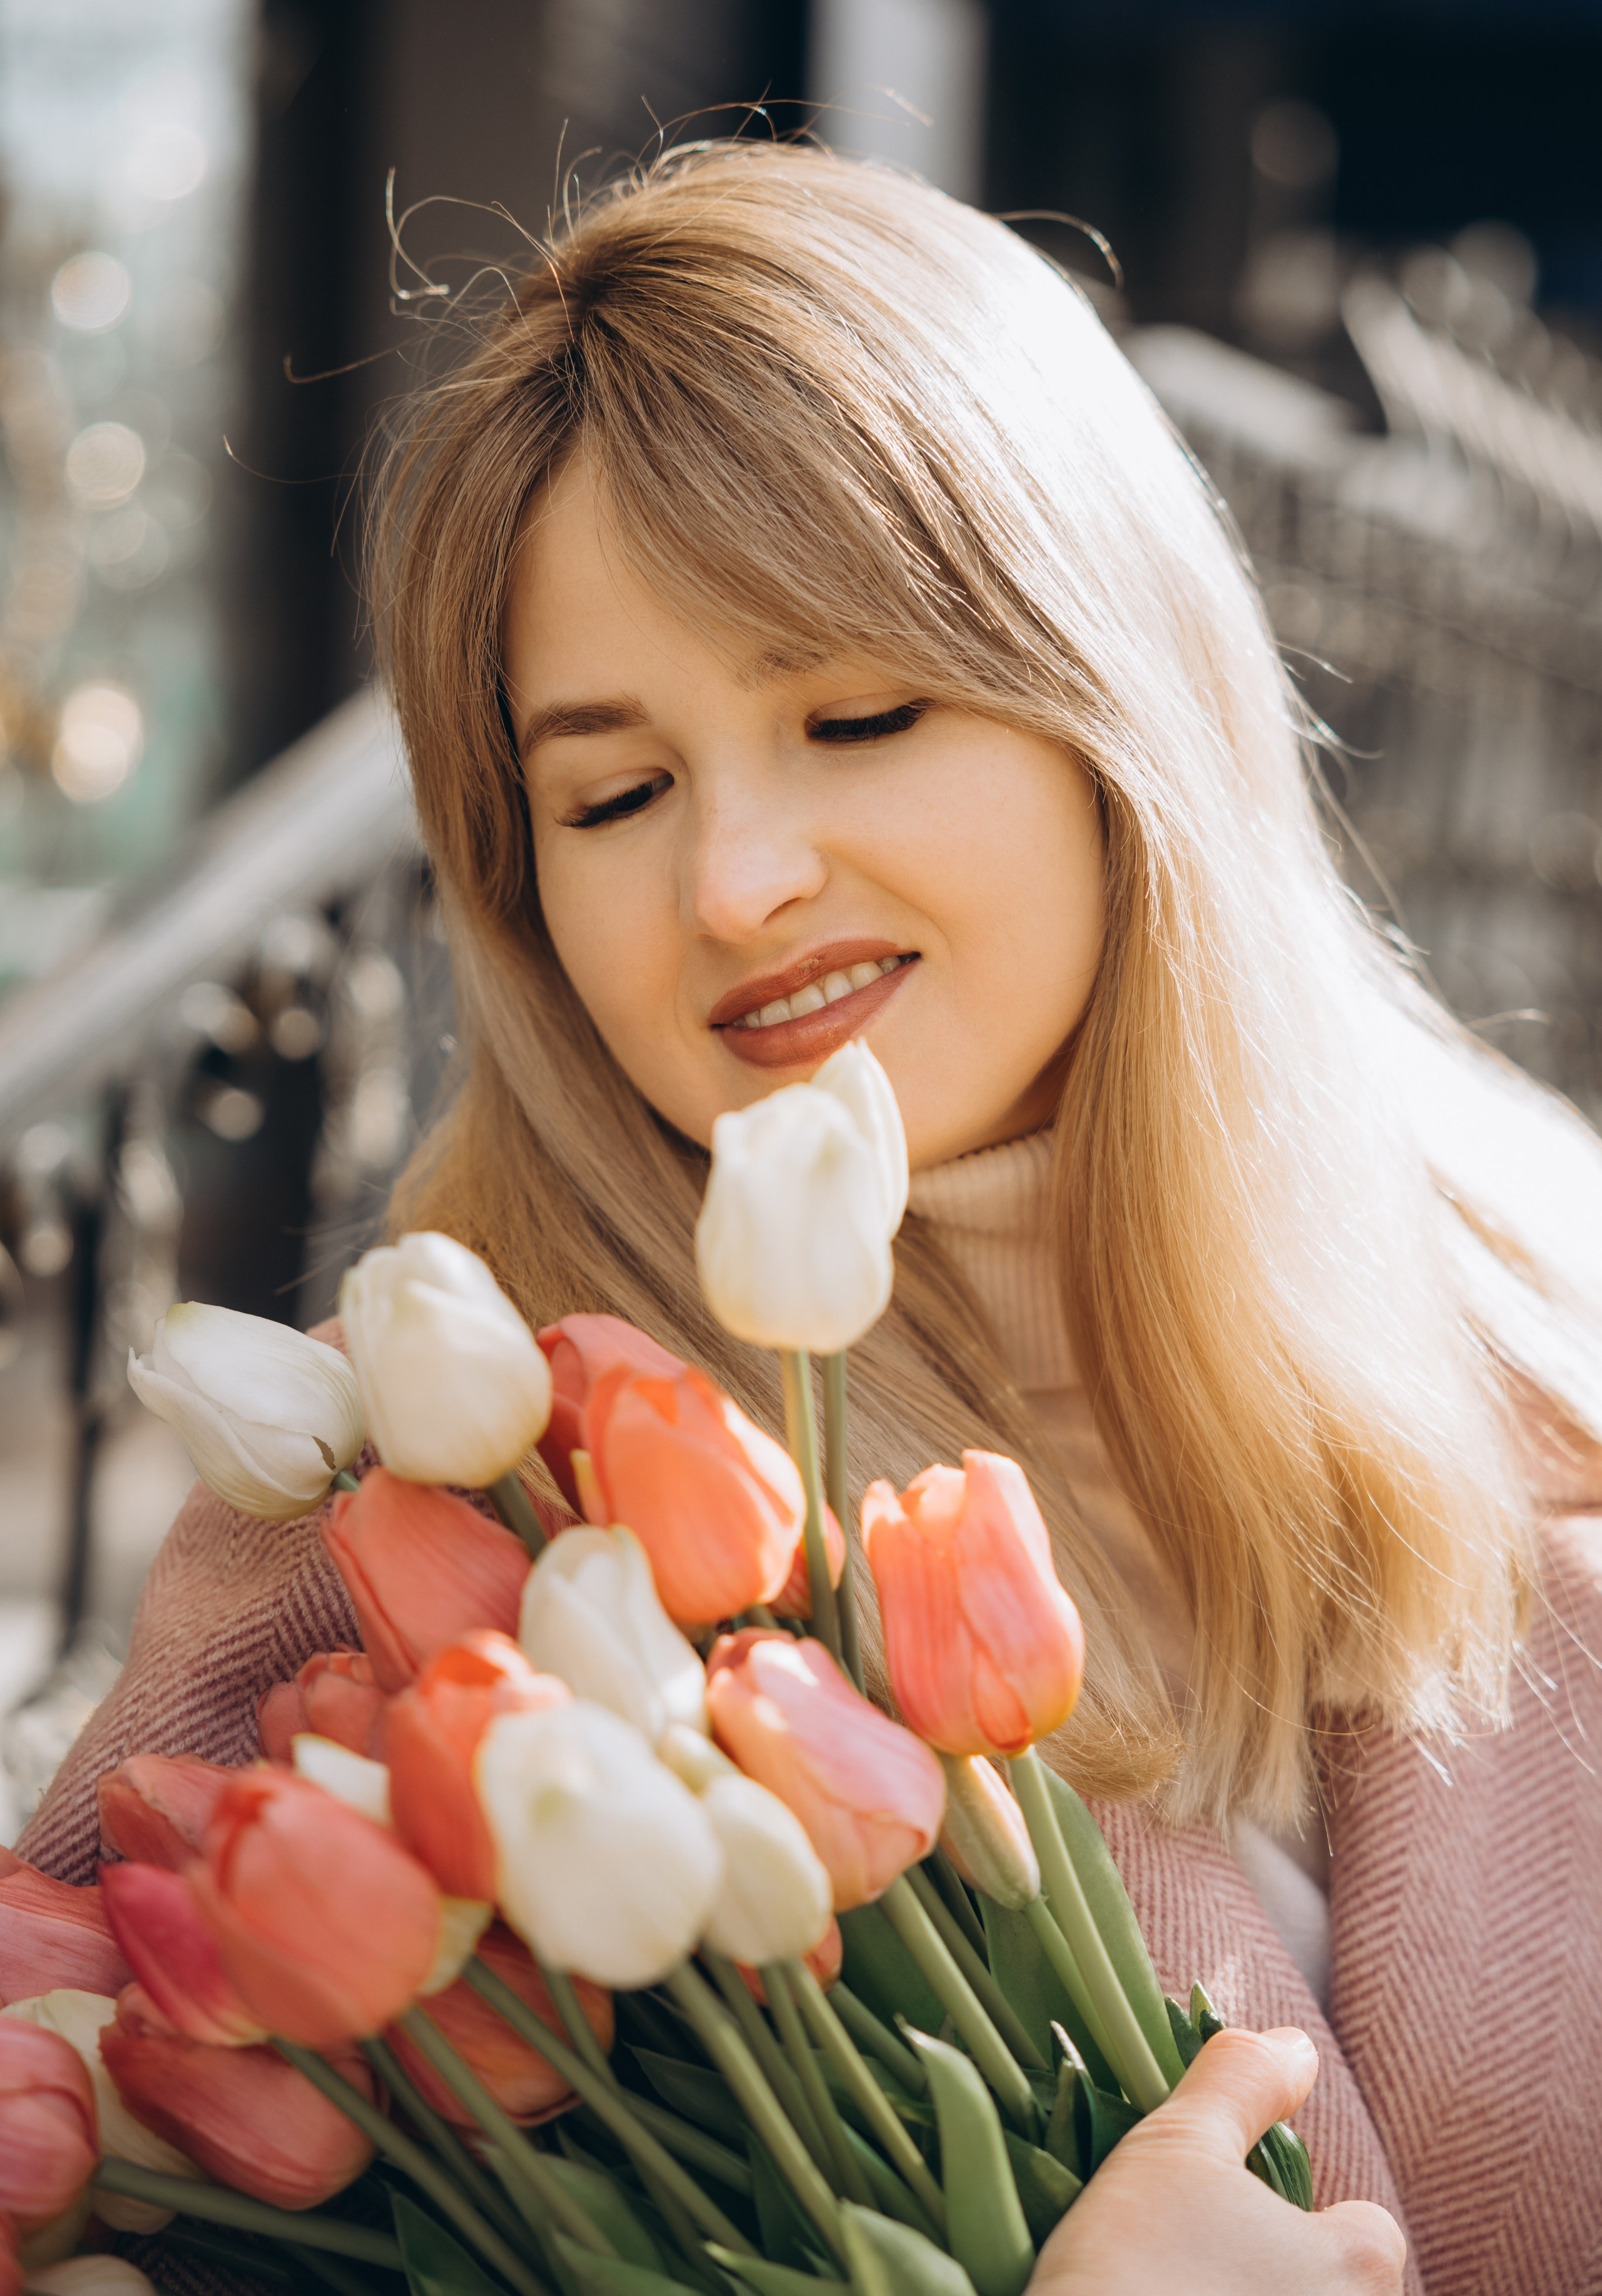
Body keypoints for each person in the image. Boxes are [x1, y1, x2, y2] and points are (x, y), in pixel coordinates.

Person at [21, 143, 1601, 2293]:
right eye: (612, 791)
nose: (735, 880)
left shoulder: (1549, 1320)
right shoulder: (421, 1559)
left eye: (854, 712)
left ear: (1120, 707)